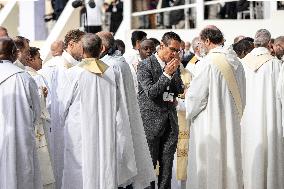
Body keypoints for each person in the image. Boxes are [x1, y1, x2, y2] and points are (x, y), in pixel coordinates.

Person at [185, 26, 246, 189]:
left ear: (207, 41)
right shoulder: (237, 62)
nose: (201, 46)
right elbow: (242, 94)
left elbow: (196, 98)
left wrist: (187, 101)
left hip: (210, 124)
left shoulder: (207, 63)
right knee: (230, 163)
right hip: (232, 122)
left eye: (201, 42)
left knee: (211, 166)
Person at [97, 31, 155, 189]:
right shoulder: (120, 62)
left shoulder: (109, 65)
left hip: (117, 119)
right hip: (126, 116)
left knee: (120, 165)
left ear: (101, 47)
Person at [39, 29, 85, 189]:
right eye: (82, 45)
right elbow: (50, 101)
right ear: (71, 44)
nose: (85, 48)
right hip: (58, 126)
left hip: (76, 127)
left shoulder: (80, 66)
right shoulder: (54, 66)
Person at [137, 31, 184, 189]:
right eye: (172, 49)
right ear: (161, 46)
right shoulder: (145, 65)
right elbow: (151, 92)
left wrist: (175, 72)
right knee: (149, 167)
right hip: (151, 124)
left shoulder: (173, 63)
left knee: (167, 167)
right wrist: (166, 74)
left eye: (177, 50)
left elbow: (178, 90)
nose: (174, 53)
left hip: (170, 122)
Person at [241, 29, 284, 189]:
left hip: (247, 119)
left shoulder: (243, 63)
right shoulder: (275, 64)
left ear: (254, 43)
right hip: (269, 117)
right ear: (269, 44)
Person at [0, 37, 42, 189]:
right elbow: (36, 111)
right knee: (21, 176)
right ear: (13, 53)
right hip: (20, 137)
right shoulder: (22, 77)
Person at [25, 47, 55, 189]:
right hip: (40, 123)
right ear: (30, 59)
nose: (41, 60)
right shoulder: (36, 77)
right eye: (38, 57)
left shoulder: (26, 75)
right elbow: (47, 105)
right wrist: (43, 95)